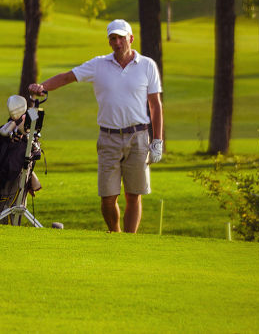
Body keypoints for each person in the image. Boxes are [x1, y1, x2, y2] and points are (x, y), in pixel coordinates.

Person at [27, 19, 164, 233]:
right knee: (108, 197)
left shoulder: (147, 66)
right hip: (108, 137)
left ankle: (129, 242)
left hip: (138, 136)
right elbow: (66, 78)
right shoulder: (99, 64)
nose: (117, 42)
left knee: (133, 195)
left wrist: (157, 141)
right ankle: (116, 233)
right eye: (112, 38)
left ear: (131, 38)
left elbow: (155, 105)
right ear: (109, 41)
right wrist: (42, 87)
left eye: (121, 37)